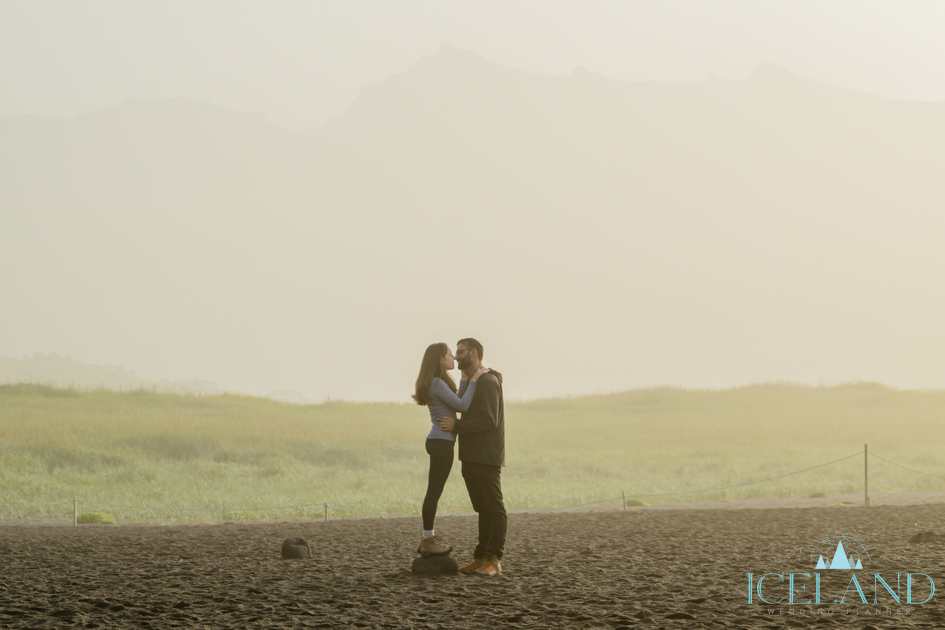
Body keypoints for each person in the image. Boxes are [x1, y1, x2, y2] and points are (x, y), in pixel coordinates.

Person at [412, 342, 490, 557]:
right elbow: (463, 406)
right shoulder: (436, 382)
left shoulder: (439, 381)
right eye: (449, 354)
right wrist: (474, 379)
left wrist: (464, 380)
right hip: (441, 442)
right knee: (434, 492)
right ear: (440, 359)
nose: (454, 357)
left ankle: (427, 538)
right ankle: (427, 539)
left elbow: (458, 401)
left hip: (440, 440)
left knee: (434, 491)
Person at [439, 337, 506, 577]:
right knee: (483, 508)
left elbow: (489, 420)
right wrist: (465, 380)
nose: (456, 356)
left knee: (493, 507)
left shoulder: (488, 381)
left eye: (461, 351)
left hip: (486, 454)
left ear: (474, 353)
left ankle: (494, 560)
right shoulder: (474, 381)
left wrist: (457, 427)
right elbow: (464, 405)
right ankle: (480, 557)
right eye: (455, 352)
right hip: (471, 455)